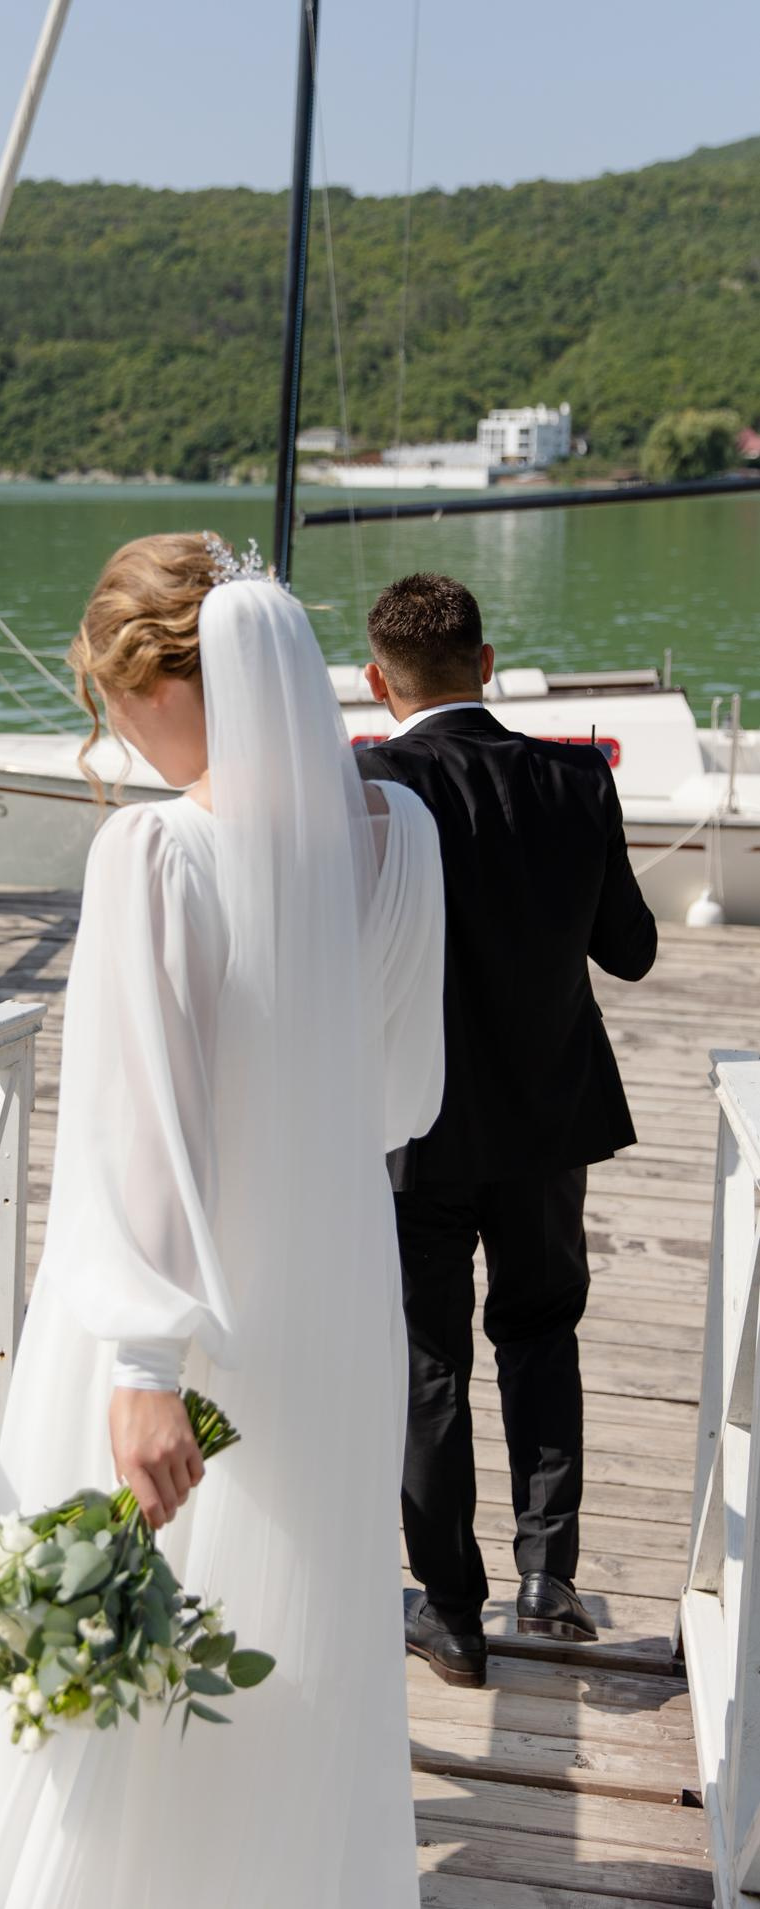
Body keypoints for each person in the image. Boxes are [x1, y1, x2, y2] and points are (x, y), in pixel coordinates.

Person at [0, 534, 447, 1906]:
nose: (117, 736)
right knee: (290, 1634)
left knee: (106, 1668)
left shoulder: (153, 850)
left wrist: (144, 1365)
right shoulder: (403, 834)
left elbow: (132, 1133)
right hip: (333, 1300)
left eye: (107, 701)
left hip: (165, 1317)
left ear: (160, 680)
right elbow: (401, 1095)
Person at [355, 573, 658, 1691]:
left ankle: (449, 1613)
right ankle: (549, 1575)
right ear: (486, 664)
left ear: (377, 682)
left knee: (426, 1363)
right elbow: (628, 952)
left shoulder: (368, 783)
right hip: (546, 1117)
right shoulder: (576, 778)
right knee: (540, 1333)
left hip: (409, 1129)